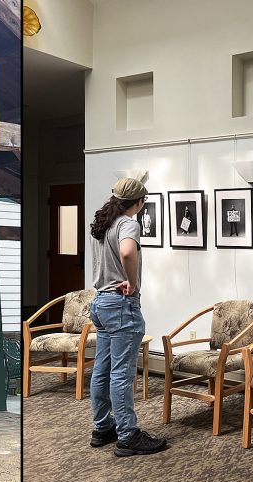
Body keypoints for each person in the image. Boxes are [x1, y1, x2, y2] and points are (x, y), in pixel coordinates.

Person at [87, 178, 167, 457]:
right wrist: (131, 283)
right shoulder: (127, 224)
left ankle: (102, 427)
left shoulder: (102, 222)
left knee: (102, 369)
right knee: (121, 374)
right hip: (121, 306)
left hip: (99, 303)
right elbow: (127, 251)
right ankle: (128, 435)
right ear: (139, 202)